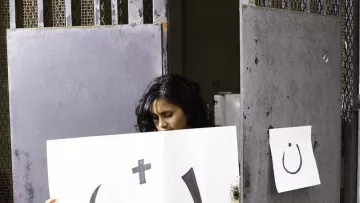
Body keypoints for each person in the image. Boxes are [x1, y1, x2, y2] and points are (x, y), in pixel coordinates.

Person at [45, 74, 214, 203]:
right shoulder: (139, 157)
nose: (161, 124)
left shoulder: (213, 151)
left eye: (168, 115)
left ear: (189, 111)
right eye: (155, 118)